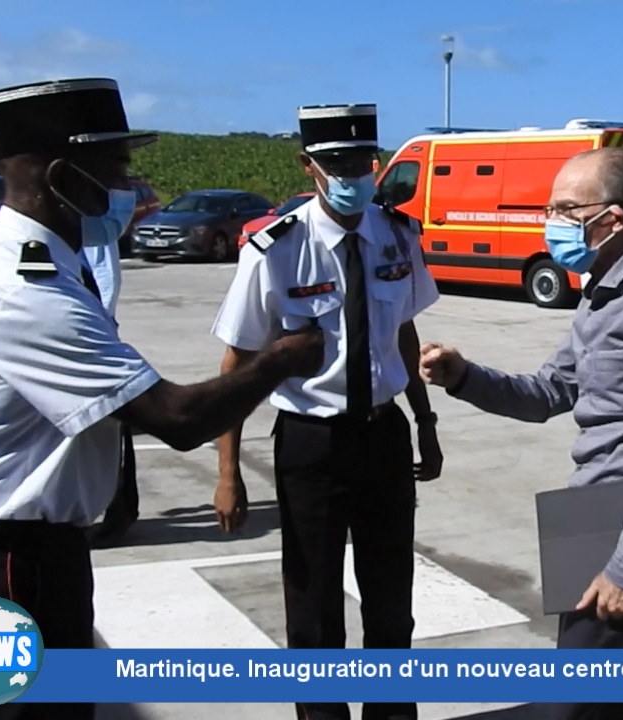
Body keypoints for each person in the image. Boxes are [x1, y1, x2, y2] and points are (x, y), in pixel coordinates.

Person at [0, 77, 325, 720]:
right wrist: (281, 359)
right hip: (8, 567)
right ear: (62, 173)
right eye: (112, 166)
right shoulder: (24, 290)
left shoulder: (46, 265)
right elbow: (175, 418)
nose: (128, 186)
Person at [419, 147, 623, 720]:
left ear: (614, 218)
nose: (550, 221)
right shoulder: (600, 289)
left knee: (571, 710)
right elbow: (550, 391)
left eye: (565, 208)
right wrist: (464, 377)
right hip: (590, 511)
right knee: (587, 708)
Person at [211, 102, 443, 720]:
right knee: (314, 612)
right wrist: (228, 471)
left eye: (360, 163)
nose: (351, 177)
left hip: (383, 438)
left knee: (392, 602)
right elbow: (237, 363)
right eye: (334, 164)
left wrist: (425, 423)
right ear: (309, 166)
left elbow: (404, 333)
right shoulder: (275, 250)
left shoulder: (397, 235)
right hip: (311, 445)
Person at [79, 227, 140, 547]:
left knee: (111, 432)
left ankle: (119, 512)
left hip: (96, 334)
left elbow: (106, 278)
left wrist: (103, 326)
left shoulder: (93, 228)